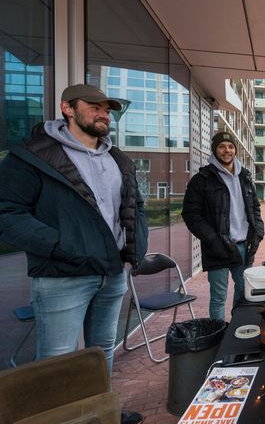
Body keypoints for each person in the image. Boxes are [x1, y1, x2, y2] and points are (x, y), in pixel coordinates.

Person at [0, 84, 148, 424]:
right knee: (57, 360)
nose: (103, 113)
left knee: (101, 352)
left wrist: (137, 244)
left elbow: (134, 206)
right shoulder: (33, 156)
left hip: (112, 273)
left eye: (107, 108)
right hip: (61, 277)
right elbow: (6, 213)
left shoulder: (117, 159)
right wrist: (60, 246)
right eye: (94, 106)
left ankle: (101, 414)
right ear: (67, 108)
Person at [182, 131, 264, 320]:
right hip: (217, 248)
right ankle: (218, 336)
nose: (226, 150)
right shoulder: (201, 179)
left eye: (230, 146)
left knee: (244, 293)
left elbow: (255, 208)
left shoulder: (245, 177)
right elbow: (191, 214)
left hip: (244, 246)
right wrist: (212, 239)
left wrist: (258, 232)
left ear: (235, 150)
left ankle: (236, 330)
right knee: (219, 297)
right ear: (214, 150)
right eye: (221, 146)